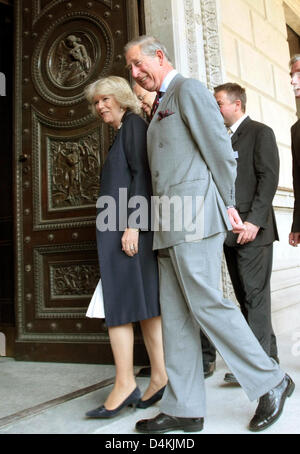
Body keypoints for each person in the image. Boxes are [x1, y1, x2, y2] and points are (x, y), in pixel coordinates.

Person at [125, 35, 294, 434]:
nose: (134, 73)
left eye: (137, 64)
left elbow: (219, 145)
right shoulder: (161, 104)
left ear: (159, 56)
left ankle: (272, 381)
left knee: (208, 304)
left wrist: (229, 202)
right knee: (178, 317)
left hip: (195, 216)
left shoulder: (188, 90)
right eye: (129, 69)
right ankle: (184, 407)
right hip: (168, 222)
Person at [84, 76, 167, 418]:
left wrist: (133, 225)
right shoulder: (125, 130)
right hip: (123, 230)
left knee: (118, 305)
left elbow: (142, 176)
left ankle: (124, 383)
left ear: (120, 97)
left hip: (127, 231)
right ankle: (159, 376)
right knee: (143, 305)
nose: (100, 106)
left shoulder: (133, 125)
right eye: (96, 102)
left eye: (105, 99)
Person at [200, 83, 280, 385]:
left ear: (237, 104)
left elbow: (268, 178)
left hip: (254, 231)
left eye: (219, 103)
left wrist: (254, 222)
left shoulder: (261, 132)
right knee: (246, 298)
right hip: (230, 232)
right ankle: (266, 359)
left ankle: (257, 369)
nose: (216, 108)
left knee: (255, 298)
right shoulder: (220, 138)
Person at [289, 55, 300, 247]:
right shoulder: (296, 130)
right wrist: (297, 224)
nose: (293, 80)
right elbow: (298, 180)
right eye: (291, 75)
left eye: (299, 74)